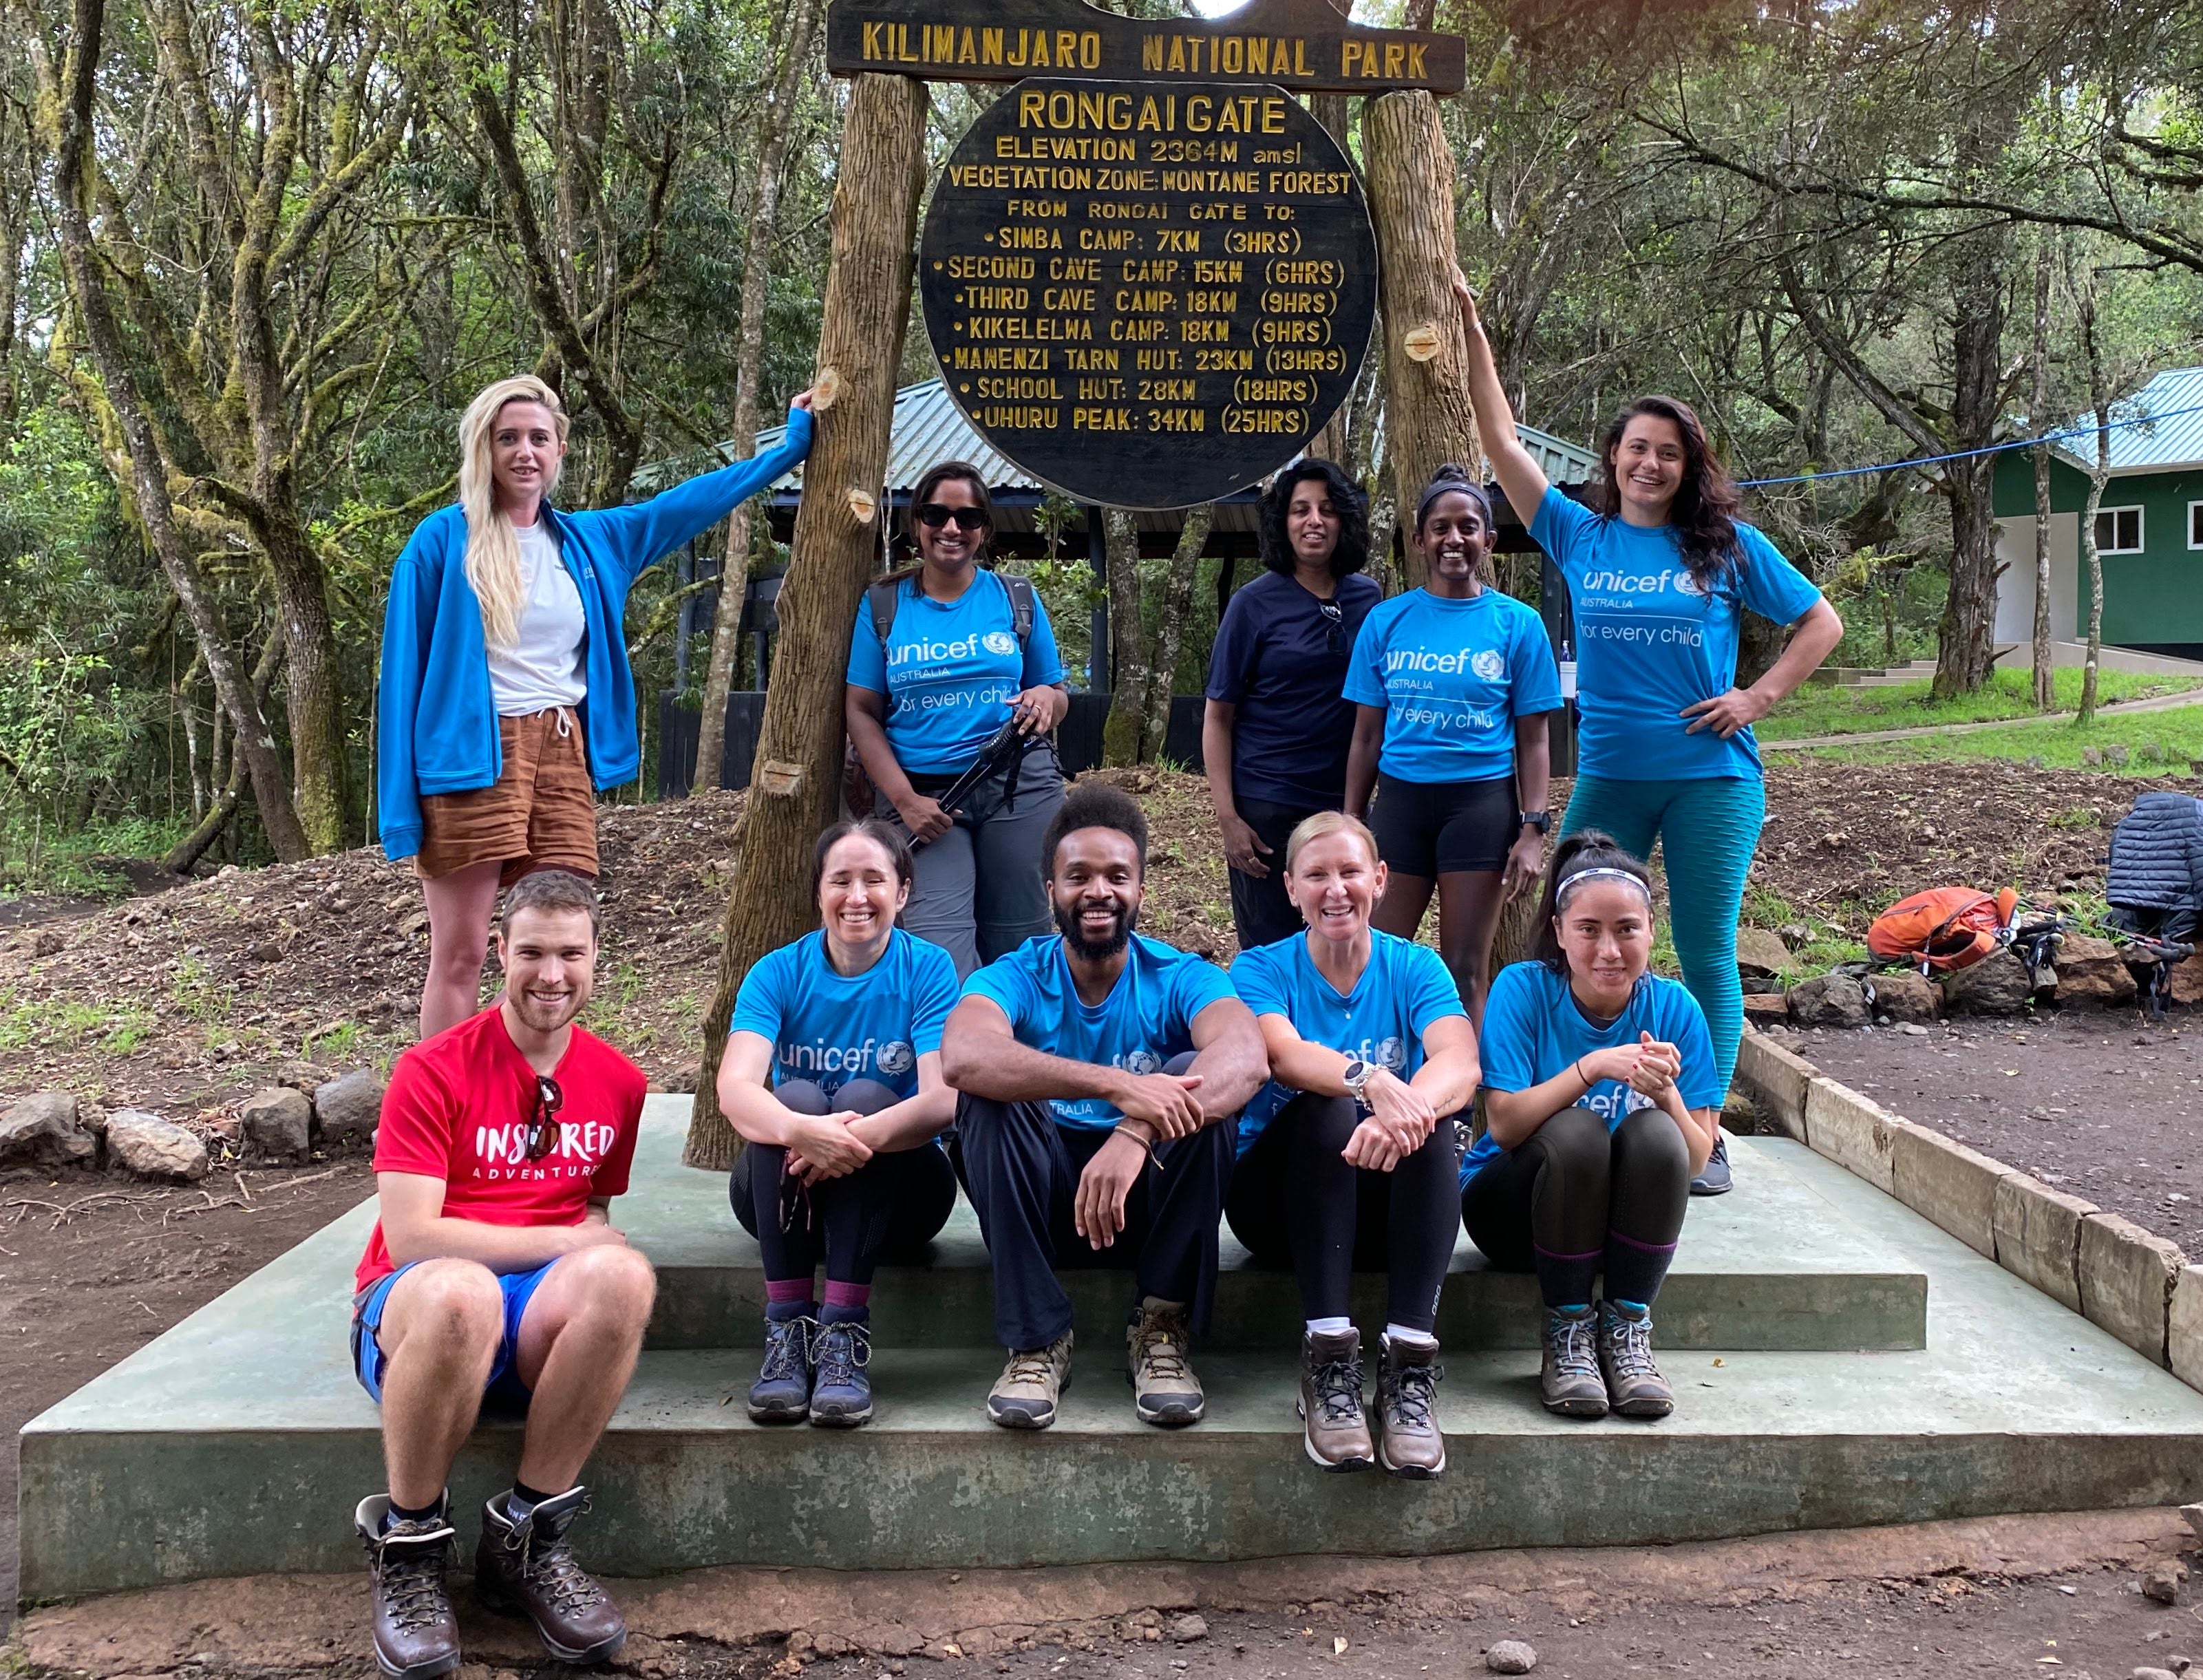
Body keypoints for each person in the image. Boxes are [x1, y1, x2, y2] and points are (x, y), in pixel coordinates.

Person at [1453, 275, 1843, 1195]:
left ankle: (1700, 1131)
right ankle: (1559, 1101)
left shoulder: (1724, 545)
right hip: (1613, 779)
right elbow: (1500, 440)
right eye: (1637, 450)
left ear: (1687, 465)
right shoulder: (1578, 535)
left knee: (1704, 949)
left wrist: (1755, 697)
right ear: (1614, 458)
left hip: (1712, 778)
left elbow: (1820, 621)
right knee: (1571, 938)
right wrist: (1473, 332)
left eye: (1668, 454)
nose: (1650, 466)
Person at [380, 376, 816, 1041]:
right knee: (463, 954)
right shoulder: (442, 542)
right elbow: (401, 676)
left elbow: (691, 503)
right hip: (471, 757)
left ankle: (535, 1101)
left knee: (553, 949)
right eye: (508, 438)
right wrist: (400, 814)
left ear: (559, 451)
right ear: (483, 449)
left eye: (538, 438)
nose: (524, 452)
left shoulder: (590, 541)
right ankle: (447, 1116)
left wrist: (787, 452)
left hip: (562, 752)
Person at [348, 870, 654, 1679]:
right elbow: (412, 1236)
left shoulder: (620, 1082)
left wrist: (583, 1246)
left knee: (624, 1274)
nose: (551, 974)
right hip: (418, 1307)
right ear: (499, 953)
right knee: (462, 1288)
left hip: (530, 1322)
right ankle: (411, 1545)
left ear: (595, 957)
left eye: (569, 953)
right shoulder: (433, 1067)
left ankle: (527, 1537)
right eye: (532, 952)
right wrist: (562, 1242)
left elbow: (594, 1212)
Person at [940, 780, 1268, 1432]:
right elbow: (963, 1054)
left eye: (1117, 876)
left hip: (1150, 1205)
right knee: (990, 1095)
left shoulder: (1179, 975)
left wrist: (1137, 1129)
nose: (1098, 891)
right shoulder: (1014, 975)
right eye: (1078, 876)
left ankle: (1162, 1326)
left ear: (1140, 890)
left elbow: (1246, 1057)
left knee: (1196, 1088)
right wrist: (1114, 1086)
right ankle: (1036, 1341)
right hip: (1043, 1200)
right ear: (1050, 891)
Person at [1224, 813, 1481, 1478]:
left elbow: (1459, 1058)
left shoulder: (1415, 966)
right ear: (1290, 888)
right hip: (1278, 1207)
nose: (1335, 889)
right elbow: (1281, 1053)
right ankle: (1328, 1358)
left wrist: (1406, 1108)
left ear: (1380, 879)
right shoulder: (1259, 968)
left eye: (1349, 872)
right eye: (1316, 875)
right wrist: (1371, 1082)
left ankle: (1409, 1366)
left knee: (1425, 1115)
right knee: (1333, 1103)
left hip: (1383, 1209)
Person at [1461, 833, 1721, 1422]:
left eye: (1627, 929)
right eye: (1588, 929)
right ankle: (1567, 1334)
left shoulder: (1674, 1007)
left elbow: (1698, 1160)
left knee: (1657, 1134)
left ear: (1651, 930)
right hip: (1513, 1215)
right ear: (1558, 931)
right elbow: (1502, 1126)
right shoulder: (1523, 988)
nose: (1609, 949)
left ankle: (1627, 1330)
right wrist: (1593, 1067)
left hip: (1613, 1232)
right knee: (1577, 1131)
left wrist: (1668, 1097)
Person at [714, 820, 961, 1427]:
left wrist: (851, 1137)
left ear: (902, 891)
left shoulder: (927, 970)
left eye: (874, 879)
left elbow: (943, 1097)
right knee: (792, 1097)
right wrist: (803, 1131)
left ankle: (844, 1334)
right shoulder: (776, 971)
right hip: (783, 1199)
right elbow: (734, 1089)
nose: (857, 896)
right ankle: (787, 1335)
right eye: (840, 880)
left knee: (865, 1094)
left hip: (900, 1202)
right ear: (818, 892)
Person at [1343, 465, 1561, 1025]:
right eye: (1439, 527)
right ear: (1419, 540)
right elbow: (1367, 733)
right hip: (1399, 804)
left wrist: (1533, 829)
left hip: (1480, 807)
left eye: (1468, 526)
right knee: (1375, 960)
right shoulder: (1385, 621)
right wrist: (1350, 821)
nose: (1453, 539)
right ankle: (1373, 1090)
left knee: (1464, 968)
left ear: (1488, 540)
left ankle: (1463, 1108)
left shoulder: (1518, 624)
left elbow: (1534, 739)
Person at [847, 462, 1072, 978]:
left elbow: (1057, 695)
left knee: (1022, 944)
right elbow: (861, 710)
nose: (951, 528)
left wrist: (1043, 697)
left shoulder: (1015, 598)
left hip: (1019, 787)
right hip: (922, 798)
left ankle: (1021, 1054)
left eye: (967, 518)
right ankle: (959, 1057)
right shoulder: (882, 605)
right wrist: (904, 802)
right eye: (936, 514)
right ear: (917, 525)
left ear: (984, 531)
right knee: (940, 952)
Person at [1203, 460, 1383, 949]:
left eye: (1326, 509)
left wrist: (1356, 811)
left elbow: (1376, 709)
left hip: (1341, 807)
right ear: (1283, 522)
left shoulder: (1368, 600)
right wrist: (1228, 818)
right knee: (1268, 952)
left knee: (1340, 945)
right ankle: (1267, 1031)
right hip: (1266, 808)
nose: (1314, 520)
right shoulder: (1252, 604)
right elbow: (1218, 716)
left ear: (1343, 519)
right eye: (1300, 510)